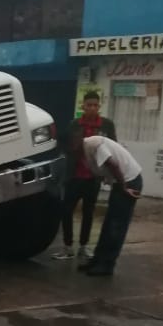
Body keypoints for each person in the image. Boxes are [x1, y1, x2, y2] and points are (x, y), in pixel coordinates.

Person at [53, 91, 116, 261]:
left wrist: (108, 175)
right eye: (89, 105)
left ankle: (84, 246)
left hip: (93, 177)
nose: (92, 109)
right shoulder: (74, 124)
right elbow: (63, 145)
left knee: (89, 212)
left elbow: (112, 147)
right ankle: (67, 246)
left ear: (99, 106)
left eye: (95, 105)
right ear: (83, 106)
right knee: (66, 211)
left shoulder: (106, 125)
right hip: (74, 176)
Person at [69, 131, 142, 276]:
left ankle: (107, 265)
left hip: (129, 181)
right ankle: (98, 260)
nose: (70, 153)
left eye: (71, 148)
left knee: (116, 226)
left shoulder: (93, 145)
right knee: (108, 224)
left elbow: (112, 164)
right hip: (121, 182)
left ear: (76, 142)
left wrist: (124, 187)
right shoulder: (85, 150)